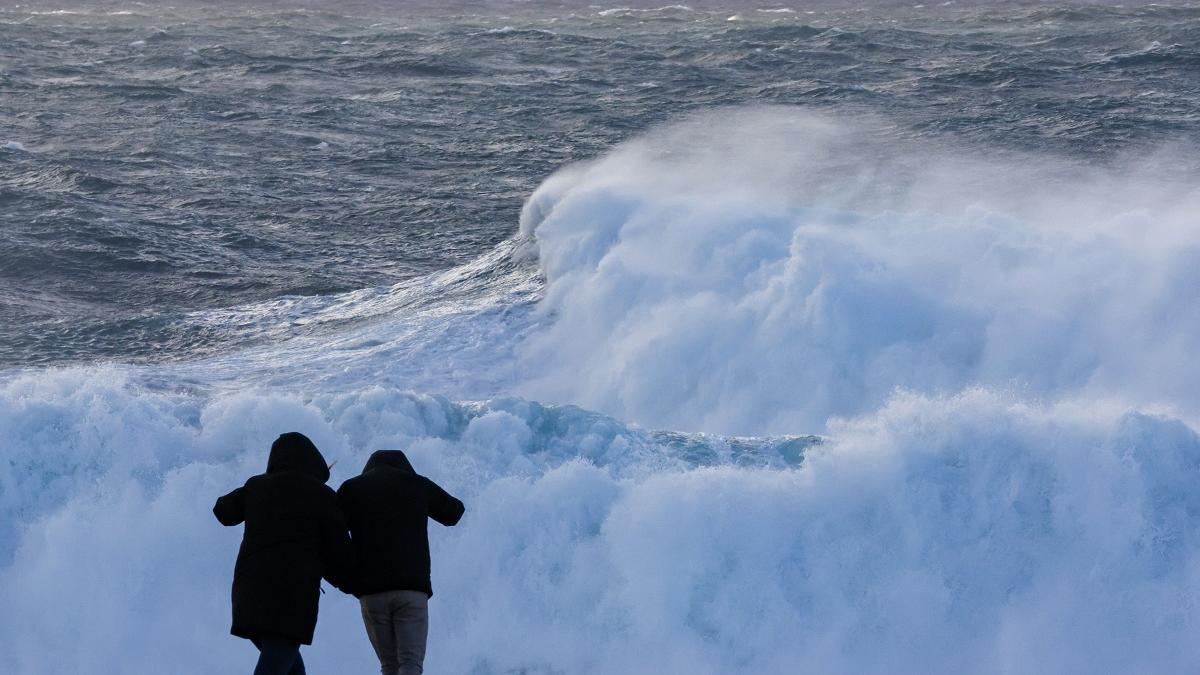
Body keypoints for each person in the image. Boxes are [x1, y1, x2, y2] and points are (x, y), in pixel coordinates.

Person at [213, 432, 355, 675]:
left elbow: (223, 511)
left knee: (288, 665)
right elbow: (338, 553)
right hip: (291, 596)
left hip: (250, 592)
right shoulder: (322, 495)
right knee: (277, 663)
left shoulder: (256, 486)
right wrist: (356, 584)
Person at [338, 450, 465, 675]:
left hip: (371, 591)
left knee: (389, 665)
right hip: (411, 590)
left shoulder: (352, 488)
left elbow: (333, 530)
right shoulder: (417, 484)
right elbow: (454, 512)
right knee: (410, 663)